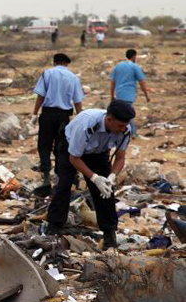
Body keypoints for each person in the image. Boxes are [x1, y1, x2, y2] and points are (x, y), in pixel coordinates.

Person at [46, 100, 135, 249]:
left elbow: (120, 157)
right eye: (120, 126)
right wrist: (94, 178)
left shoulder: (124, 129)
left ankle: (109, 233)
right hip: (70, 147)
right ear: (109, 120)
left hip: (98, 152)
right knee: (65, 183)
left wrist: (111, 177)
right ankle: (55, 224)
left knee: (106, 191)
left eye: (125, 126)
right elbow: (74, 158)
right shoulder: (87, 125)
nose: (123, 129)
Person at [32, 53, 83, 186]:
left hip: (48, 114)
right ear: (66, 64)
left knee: (44, 144)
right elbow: (77, 100)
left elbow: (40, 96)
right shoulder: (73, 77)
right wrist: (80, 116)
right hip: (64, 117)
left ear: (54, 62)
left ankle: (46, 175)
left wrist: (34, 113)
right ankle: (60, 175)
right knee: (61, 146)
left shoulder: (47, 74)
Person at [110, 49, 150, 136]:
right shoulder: (135, 67)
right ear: (134, 56)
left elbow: (112, 82)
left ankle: (120, 131)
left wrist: (112, 95)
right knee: (128, 113)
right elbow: (142, 82)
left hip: (119, 93)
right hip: (128, 94)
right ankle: (132, 133)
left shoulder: (118, 66)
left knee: (120, 112)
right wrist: (146, 95)